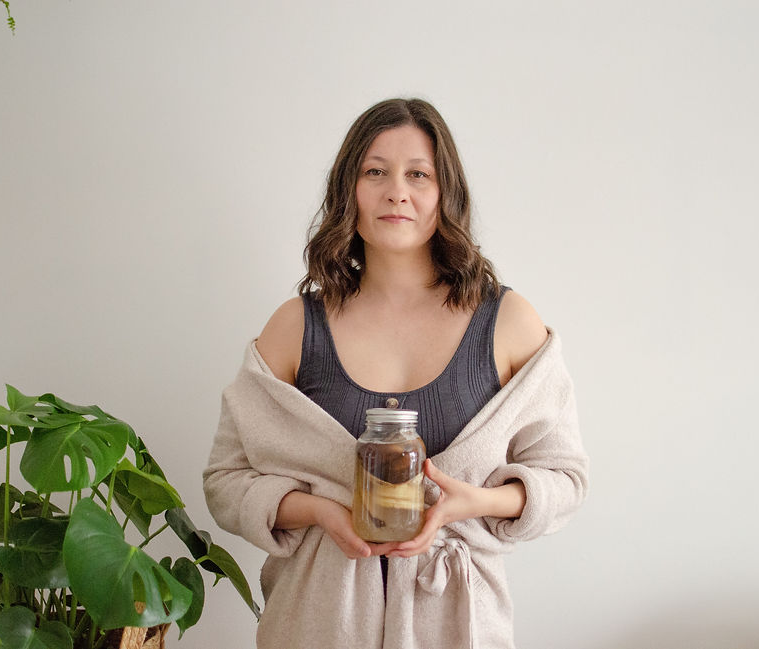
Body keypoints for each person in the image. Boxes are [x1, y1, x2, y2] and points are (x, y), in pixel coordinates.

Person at [203, 98, 589, 649]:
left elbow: (564, 478)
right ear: (349, 190)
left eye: (418, 174)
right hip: (317, 623)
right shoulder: (295, 327)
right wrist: (321, 511)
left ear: (446, 192)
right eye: (375, 172)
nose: (397, 192)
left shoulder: (506, 322)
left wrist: (475, 502)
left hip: (458, 624)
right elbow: (226, 479)